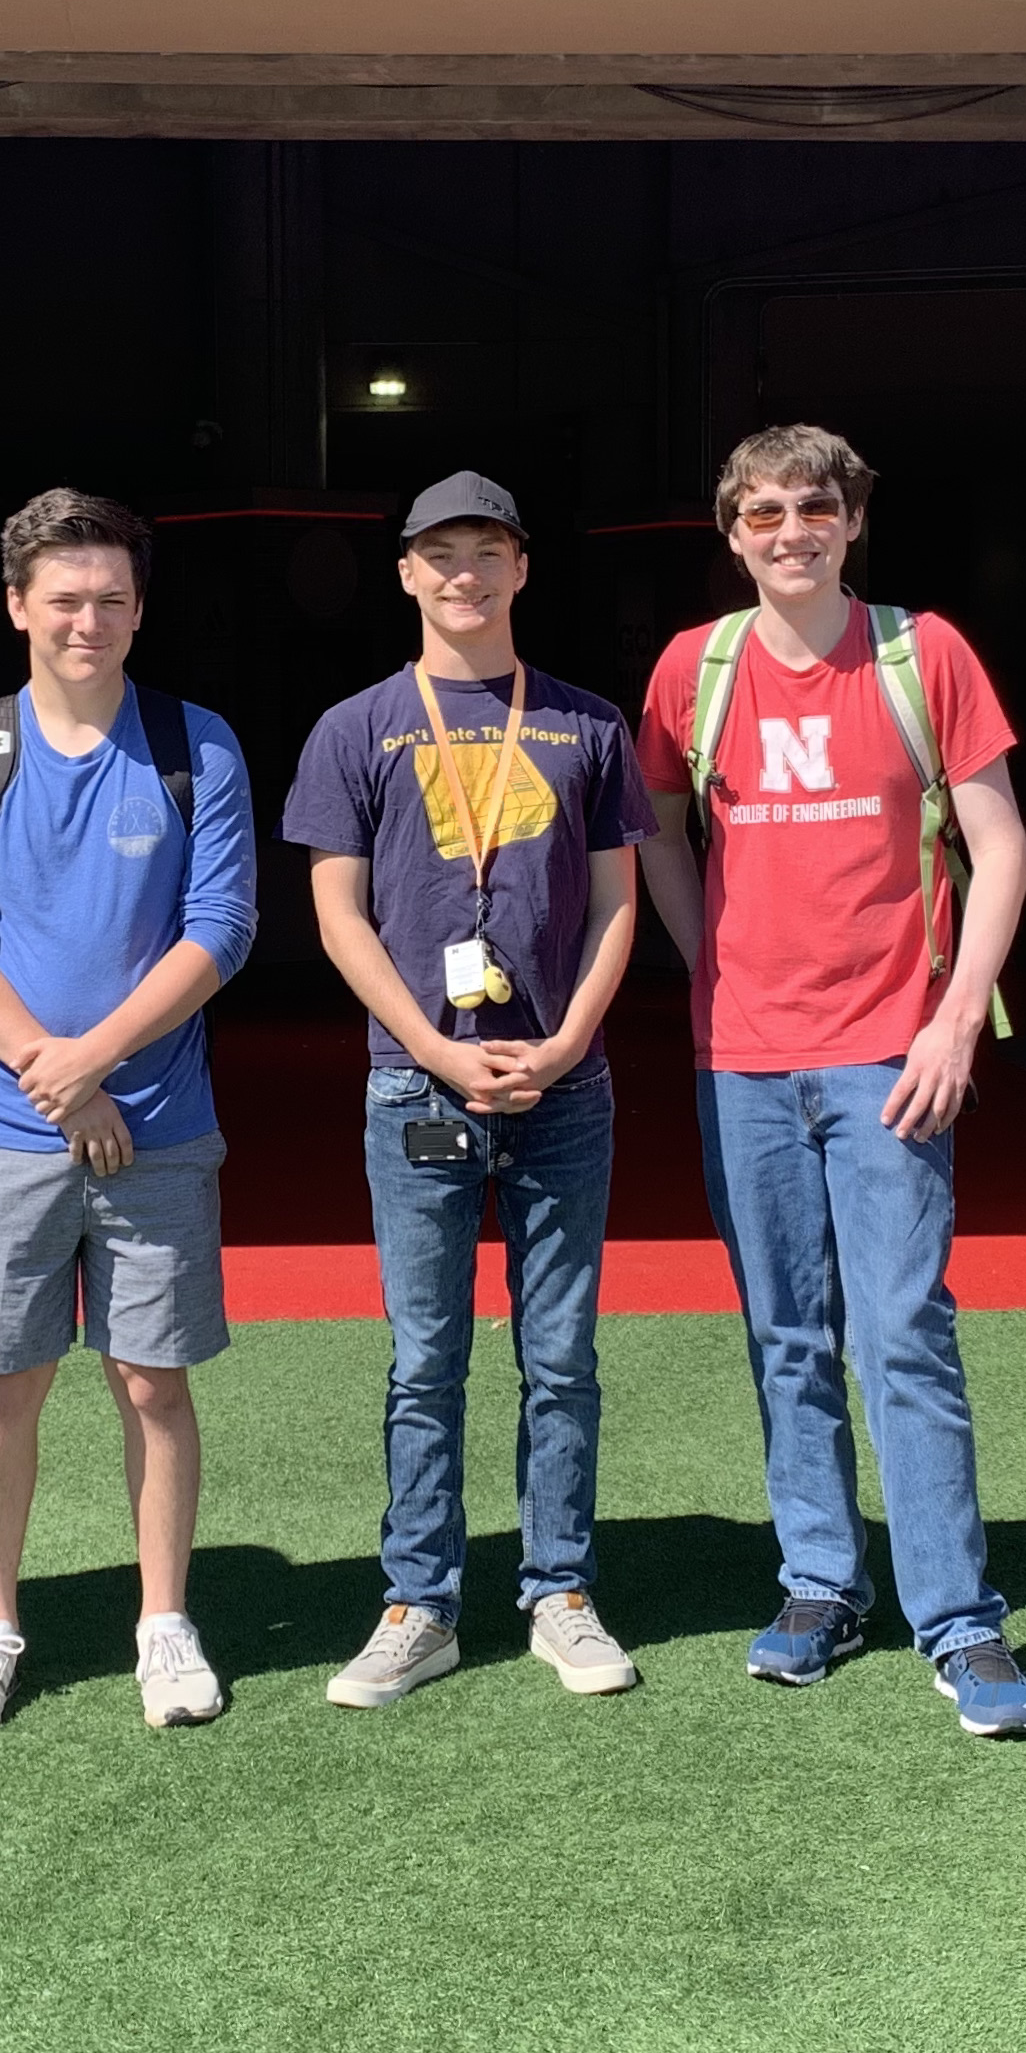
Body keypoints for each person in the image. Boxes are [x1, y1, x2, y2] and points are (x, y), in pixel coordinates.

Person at [634, 424, 1026, 1737]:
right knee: (781, 1336)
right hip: (742, 1056)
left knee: (902, 1335)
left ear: (851, 519)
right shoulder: (688, 672)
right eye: (759, 513)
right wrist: (707, 964)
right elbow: (653, 832)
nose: (787, 530)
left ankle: (959, 1621)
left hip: (888, 1051)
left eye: (811, 507)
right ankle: (818, 1582)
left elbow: (1000, 845)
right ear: (729, 532)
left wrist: (948, 1024)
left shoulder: (922, 655)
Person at [282, 472, 651, 1707]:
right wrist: (432, 1048)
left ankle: (560, 1589)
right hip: (418, 1086)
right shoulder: (357, 726)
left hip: (563, 1088)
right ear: (404, 573)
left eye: (486, 551)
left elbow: (615, 905)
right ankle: (419, 1601)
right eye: (440, 554)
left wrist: (565, 1045)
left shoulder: (586, 724)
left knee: (560, 1355)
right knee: (423, 1358)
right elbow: (337, 915)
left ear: (521, 567)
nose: (464, 575)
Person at [0, 488, 256, 1736]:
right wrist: (53, 1073)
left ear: (140, 606)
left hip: (155, 1117)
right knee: (4, 1383)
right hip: (4, 1127)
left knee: (153, 1382)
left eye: (110, 597)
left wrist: (91, 1061)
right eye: (64, 598)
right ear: (16, 606)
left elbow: (221, 926)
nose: (87, 619)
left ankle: (164, 1620)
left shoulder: (195, 740)